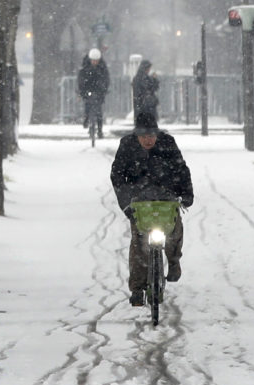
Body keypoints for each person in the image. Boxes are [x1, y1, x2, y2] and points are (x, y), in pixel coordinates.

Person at [110, 112, 194, 306]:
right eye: (143, 136)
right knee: (139, 244)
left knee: (174, 230)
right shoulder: (127, 145)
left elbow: (181, 170)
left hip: (166, 197)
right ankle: (137, 289)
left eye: (151, 136)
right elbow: (117, 176)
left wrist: (186, 195)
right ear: (136, 135)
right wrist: (125, 204)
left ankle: (173, 262)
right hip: (139, 202)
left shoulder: (168, 143)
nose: (148, 140)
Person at [77, 48, 110, 133]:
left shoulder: (102, 68)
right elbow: (81, 80)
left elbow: (106, 79)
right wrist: (81, 91)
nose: (95, 62)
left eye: (96, 61)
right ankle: (86, 119)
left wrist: (104, 89)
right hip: (88, 89)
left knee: (99, 111)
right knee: (87, 106)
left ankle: (99, 130)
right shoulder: (85, 67)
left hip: (99, 90)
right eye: (93, 60)